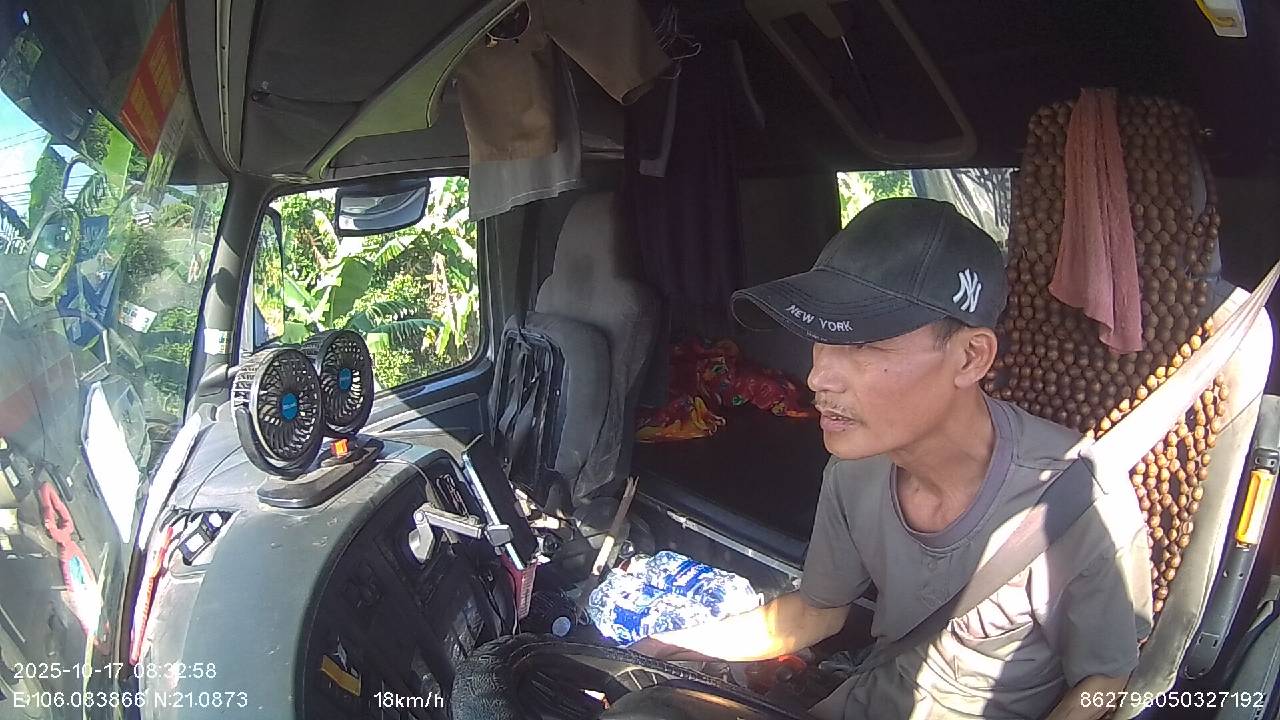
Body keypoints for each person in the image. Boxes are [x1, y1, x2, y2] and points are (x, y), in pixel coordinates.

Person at [631, 198, 1153, 720]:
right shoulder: (854, 469)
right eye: (819, 341)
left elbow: (1106, 680)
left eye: (864, 345)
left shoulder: (1076, 503)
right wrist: (675, 646)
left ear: (970, 357)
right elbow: (816, 611)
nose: (818, 378)